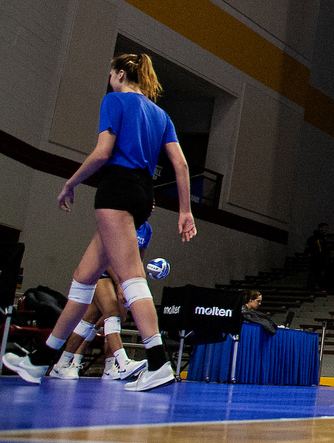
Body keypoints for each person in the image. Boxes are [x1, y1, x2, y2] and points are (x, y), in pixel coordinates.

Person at [1, 53, 197, 391]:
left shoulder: (114, 101)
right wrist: (185, 210)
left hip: (116, 189)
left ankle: (158, 361)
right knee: (84, 278)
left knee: (132, 277)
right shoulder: (161, 114)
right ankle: (42, 360)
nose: (109, 80)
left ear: (121, 74)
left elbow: (103, 152)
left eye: (111, 74)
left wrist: (70, 183)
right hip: (141, 194)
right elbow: (180, 165)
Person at [46, 221, 154, 380]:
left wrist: (136, 282)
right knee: (113, 313)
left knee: (88, 322)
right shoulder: (121, 220)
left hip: (122, 278)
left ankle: (63, 364)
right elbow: (107, 256)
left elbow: (138, 260)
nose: (150, 207)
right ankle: (123, 362)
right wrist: (119, 283)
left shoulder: (147, 230)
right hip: (103, 273)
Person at [304, 223, 328, 290]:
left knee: (318, 273)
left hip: (320, 260)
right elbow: (310, 248)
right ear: (320, 228)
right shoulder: (315, 238)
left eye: (326, 228)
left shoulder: (323, 238)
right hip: (315, 259)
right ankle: (311, 286)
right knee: (313, 273)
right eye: (324, 227)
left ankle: (316, 285)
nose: (326, 229)